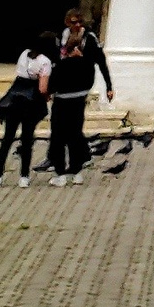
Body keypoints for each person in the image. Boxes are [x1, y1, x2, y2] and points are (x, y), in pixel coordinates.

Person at [45, 14, 109, 182]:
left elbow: (99, 61)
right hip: (61, 94)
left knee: (72, 132)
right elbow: (55, 65)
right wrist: (49, 89)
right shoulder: (60, 39)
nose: (77, 25)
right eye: (74, 23)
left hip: (78, 92)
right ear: (67, 23)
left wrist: (108, 85)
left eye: (80, 22)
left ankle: (74, 170)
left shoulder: (89, 39)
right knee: (60, 133)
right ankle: (61, 169)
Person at [0, 35, 51, 187]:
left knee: (7, 138)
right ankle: (24, 176)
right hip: (31, 101)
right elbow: (42, 87)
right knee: (27, 139)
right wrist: (48, 96)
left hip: (15, 97)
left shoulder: (24, 54)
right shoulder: (45, 61)